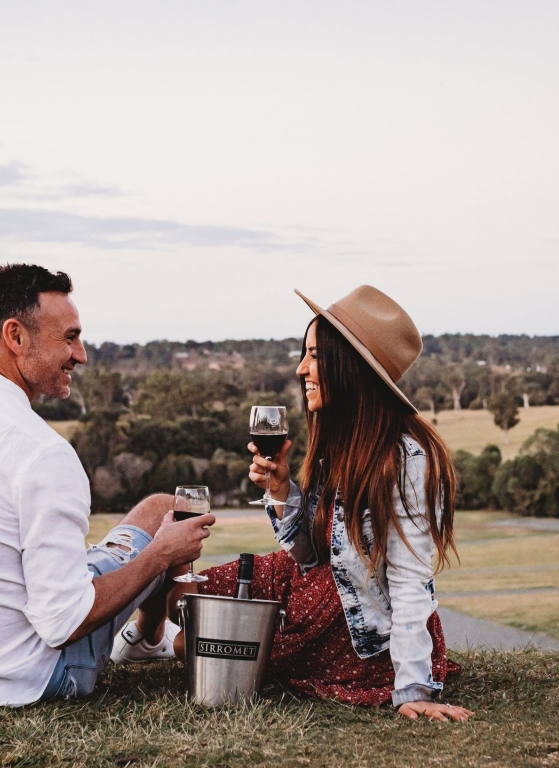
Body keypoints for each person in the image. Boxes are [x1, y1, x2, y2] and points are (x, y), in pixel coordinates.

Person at [0, 263, 214, 706]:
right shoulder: (41, 452)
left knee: (147, 521)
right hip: (24, 677)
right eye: (69, 338)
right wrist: (161, 555)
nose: (82, 354)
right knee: (163, 515)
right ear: (16, 336)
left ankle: (146, 640)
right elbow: (64, 622)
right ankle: (149, 637)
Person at [192, 285, 474, 722]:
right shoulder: (340, 442)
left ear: (350, 368)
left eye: (315, 356)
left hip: (351, 627)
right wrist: (283, 492)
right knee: (191, 594)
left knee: (198, 643)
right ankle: (140, 642)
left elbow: (409, 579)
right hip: (314, 588)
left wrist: (413, 687)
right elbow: (309, 554)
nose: (302, 368)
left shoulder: (405, 459)